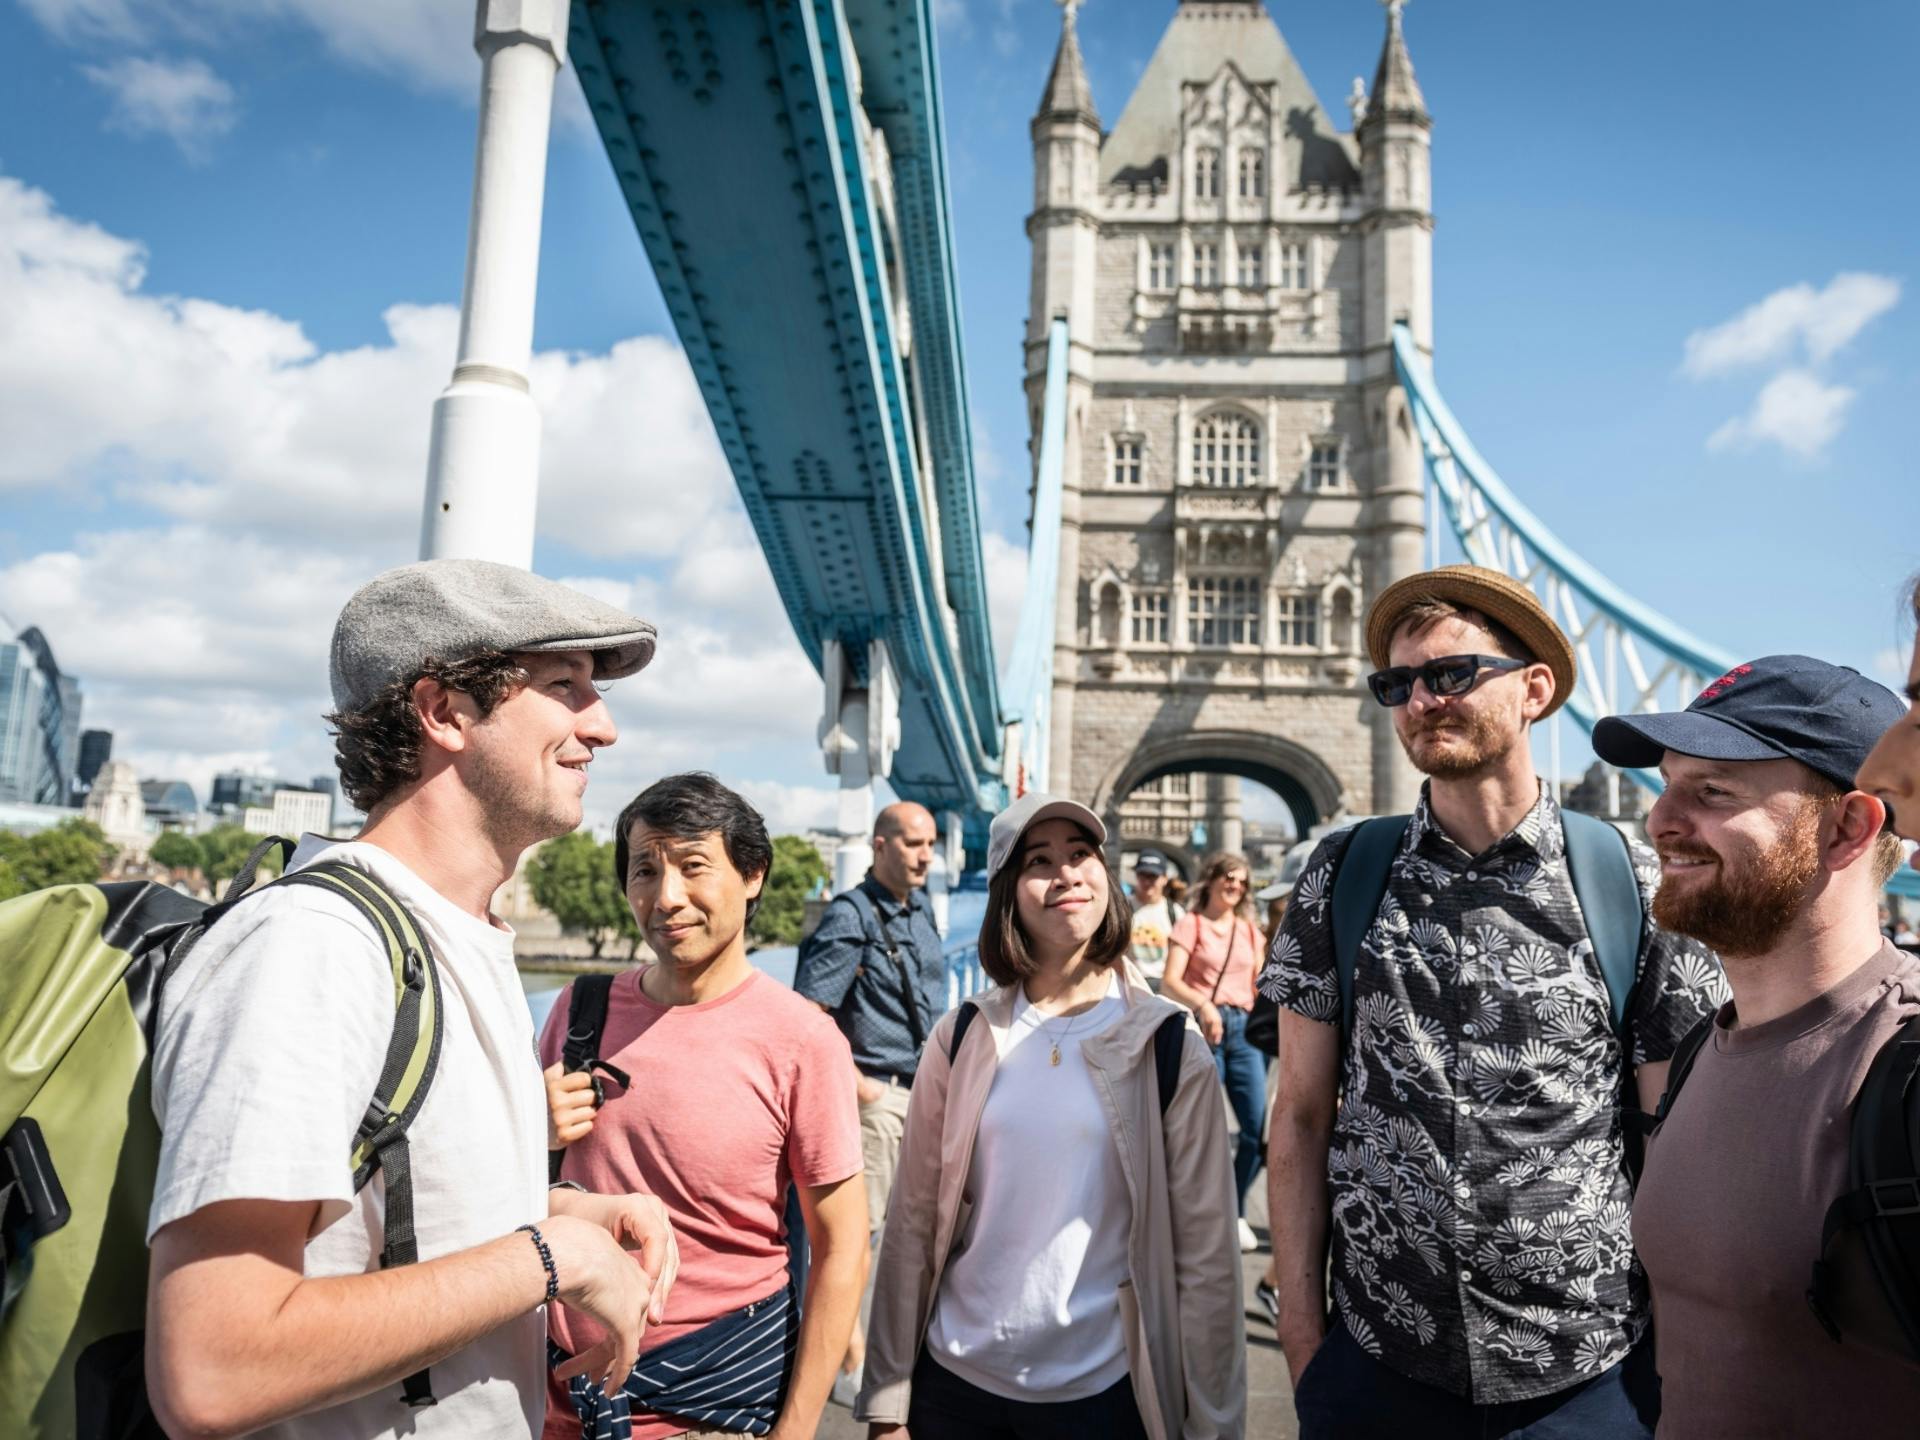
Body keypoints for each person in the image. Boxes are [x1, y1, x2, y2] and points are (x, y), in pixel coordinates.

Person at [144, 559, 680, 1440]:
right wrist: (552, 1257)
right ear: (443, 713)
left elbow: (388, 1214)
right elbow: (213, 1366)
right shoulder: (312, 949)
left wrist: (569, 1213)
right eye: (564, 686)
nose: (606, 726)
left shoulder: (456, 937)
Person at [1261, 564, 1723, 1438]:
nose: (1422, 700)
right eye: (1398, 684)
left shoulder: (1633, 878)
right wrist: (1301, 1334)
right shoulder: (1343, 872)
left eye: (1452, 673)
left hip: (1586, 1369)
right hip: (1379, 1358)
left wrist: (1681, 1345)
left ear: (1535, 690)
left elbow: (1677, 1136)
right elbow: (1301, 1117)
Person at [1591, 654, 1916, 1438]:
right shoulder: (1705, 1044)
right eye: (1667, 782)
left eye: (1712, 791)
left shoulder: (1904, 1070)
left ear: (1849, 826)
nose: (1659, 818)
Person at [856, 793, 1245, 1439]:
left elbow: (1206, 1260)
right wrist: (887, 1403)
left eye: (1081, 854)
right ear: (1009, 892)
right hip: (954, 1387)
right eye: (1040, 860)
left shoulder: (1169, 1044)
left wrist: (1213, 1428)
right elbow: (913, 1222)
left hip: (1101, 1395)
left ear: (1105, 876)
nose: (1066, 872)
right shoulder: (962, 1036)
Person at [543, 773, 867, 1439]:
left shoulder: (802, 1042)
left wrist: (798, 1430)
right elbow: (506, 1191)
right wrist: (529, 1129)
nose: (666, 898)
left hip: (710, 1408)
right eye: (644, 870)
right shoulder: (579, 1013)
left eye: (694, 867)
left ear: (753, 876)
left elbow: (843, 1249)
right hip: (551, 1405)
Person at [791, 800, 945, 1382]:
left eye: (930, 844)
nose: (925, 855)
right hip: (877, 1098)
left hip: (921, 1090)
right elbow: (810, 1013)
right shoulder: (850, 917)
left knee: (915, 1232)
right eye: (912, 843)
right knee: (857, 1242)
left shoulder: (919, 907)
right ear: (880, 846)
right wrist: (859, 1089)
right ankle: (846, 1359)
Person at [1163, 850, 1268, 1251]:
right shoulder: (1190, 925)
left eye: (1241, 883)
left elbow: (1262, 983)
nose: (1235, 886)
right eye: (1229, 878)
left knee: (1256, 1132)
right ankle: (1189, 1214)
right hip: (1203, 1030)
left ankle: (1234, 1208)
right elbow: (1171, 981)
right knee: (1197, 1131)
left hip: (1243, 1033)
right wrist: (1204, 1005)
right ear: (1211, 880)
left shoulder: (1248, 931)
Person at [1127, 851, 1182, 988]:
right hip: (1132, 983)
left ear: (1164, 879)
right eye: (1142, 875)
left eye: (1153, 877)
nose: (1147, 882)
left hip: (1163, 985)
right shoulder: (1123, 908)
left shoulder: (1175, 912)